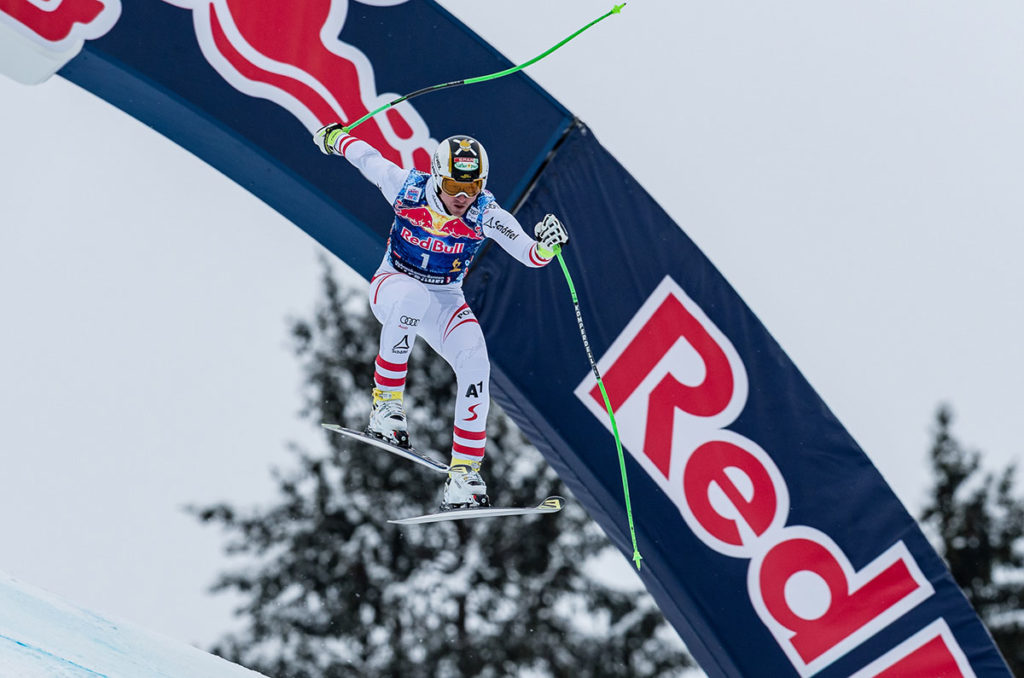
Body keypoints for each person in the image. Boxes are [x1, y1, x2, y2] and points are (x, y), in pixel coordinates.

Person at [314, 124, 569, 510]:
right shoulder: (406, 187)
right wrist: (333, 139)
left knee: (476, 361)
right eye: (453, 188)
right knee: (413, 296)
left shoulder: (485, 212)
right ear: (437, 178)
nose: (462, 198)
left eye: (472, 188)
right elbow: (366, 156)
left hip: (446, 297)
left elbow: (527, 253)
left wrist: (547, 247)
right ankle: (385, 405)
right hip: (394, 284)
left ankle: (464, 473)